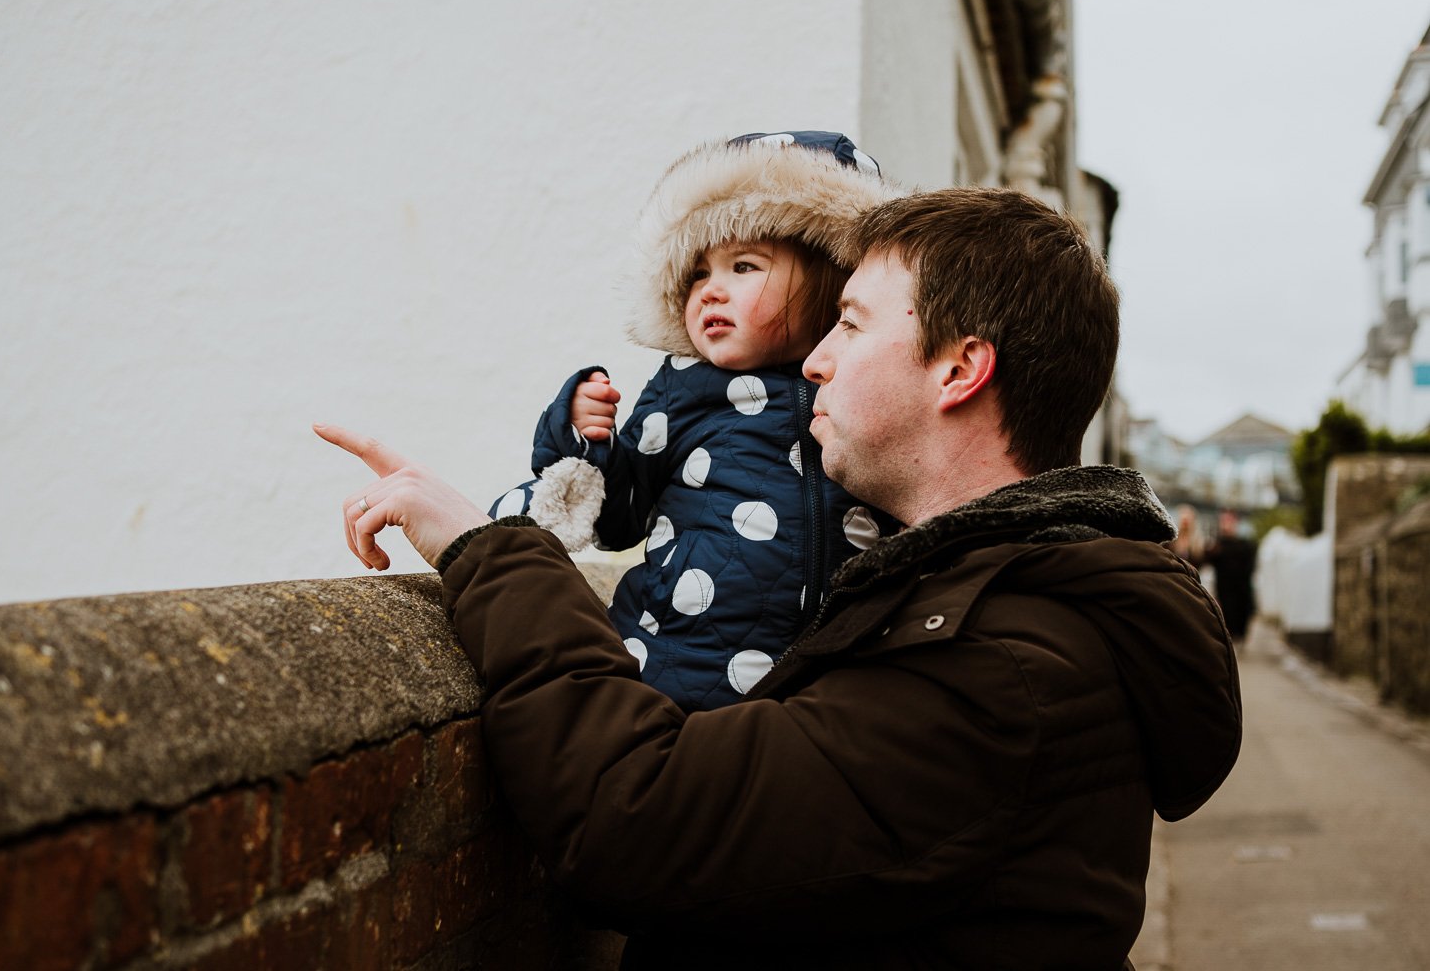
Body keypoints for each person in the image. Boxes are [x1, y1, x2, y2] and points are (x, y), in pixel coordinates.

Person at [316, 187, 1242, 969]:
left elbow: (638, 816)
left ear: (961, 369)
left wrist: (488, 549)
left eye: (850, 322)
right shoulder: (979, 605)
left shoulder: (1007, 665)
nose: (815, 360)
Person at [487, 130, 900, 711]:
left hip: (838, 683)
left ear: (833, 277)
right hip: (678, 665)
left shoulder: (866, 382)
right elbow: (617, 516)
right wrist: (586, 439)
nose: (710, 291)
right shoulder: (683, 391)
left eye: (744, 266)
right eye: (699, 274)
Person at [1202, 509, 1258, 642]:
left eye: (1228, 521)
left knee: (1241, 618)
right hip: (1224, 590)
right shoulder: (1216, 545)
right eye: (1224, 521)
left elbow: (1249, 566)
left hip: (1241, 590)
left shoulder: (1244, 545)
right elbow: (1206, 561)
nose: (1226, 524)